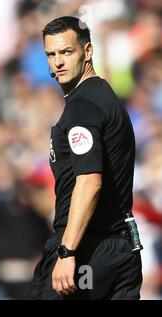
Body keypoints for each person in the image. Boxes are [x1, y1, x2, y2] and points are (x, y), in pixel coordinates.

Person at [29, 16, 143, 300]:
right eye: (51, 54)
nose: (58, 62)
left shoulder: (82, 108)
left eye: (67, 52)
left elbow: (90, 182)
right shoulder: (107, 98)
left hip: (88, 251)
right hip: (123, 250)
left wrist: (67, 252)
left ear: (88, 51)